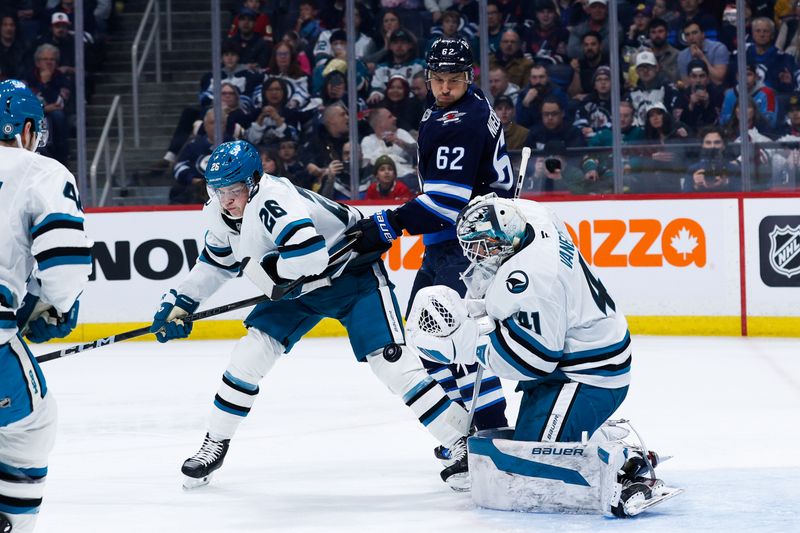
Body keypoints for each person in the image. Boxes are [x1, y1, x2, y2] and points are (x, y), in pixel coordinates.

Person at [149, 140, 470, 491]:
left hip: (350, 278)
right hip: (296, 289)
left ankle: (459, 442)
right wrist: (181, 302)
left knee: (392, 364)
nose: (226, 200)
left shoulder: (274, 201)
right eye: (218, 190)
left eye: (235, 189)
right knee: (248, 356)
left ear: (254, 180)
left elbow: (312, 258)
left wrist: (271, 270)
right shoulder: (221, 211)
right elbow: (215, 264)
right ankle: (215, 443)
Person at [405, 194, 681, 517]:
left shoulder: (532, 280)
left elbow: (535, 361)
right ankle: (599, 437)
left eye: (483, 248)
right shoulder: (532, 217)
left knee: (533, 466)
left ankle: (622, 468)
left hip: (589, 373)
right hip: (581, 349)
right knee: (528, 446)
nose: (477, 257)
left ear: (502, 242)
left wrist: (469, 345)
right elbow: (514, 206)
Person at [349, 37, 512, 485]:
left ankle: (489, 434)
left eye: (453, 79)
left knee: (456, 341)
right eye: (437, 79)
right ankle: (466, 429)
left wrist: (389, 223)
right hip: (454, 242)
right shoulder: (453, 106)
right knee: (427, 339)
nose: (444, 87)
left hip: (466, 244)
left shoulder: (461, 119)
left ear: (469, 77)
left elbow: (447, 201)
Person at [0, 79, 92, 533]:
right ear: (28, 127)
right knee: (31, 429)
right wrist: (57, 306)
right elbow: (66, 258)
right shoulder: (41, 170)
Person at [683, 126, 740, 192]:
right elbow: (684, 198)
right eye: (708, 143)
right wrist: (696, 186)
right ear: (702, 145)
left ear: (724, 145)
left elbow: (743, 196)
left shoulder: (734, 169)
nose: (712, 146)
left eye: (717, 142)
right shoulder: (693, 170)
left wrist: (726, 183)